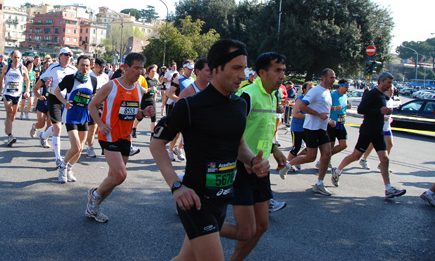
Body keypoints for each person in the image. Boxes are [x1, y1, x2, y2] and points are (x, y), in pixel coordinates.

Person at [150, 40, 268, 260]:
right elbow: (156, 144)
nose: (243, 75)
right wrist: (176, 186)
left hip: (222, 198)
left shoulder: (239, 105)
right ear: (216, 69)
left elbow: (239, 144)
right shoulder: (190, 106)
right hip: (195, 201)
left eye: (244, 68)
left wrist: (253, 161)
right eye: (236, 68)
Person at [220, 52, 288, 260]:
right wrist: (246, 159)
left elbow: (263, 130)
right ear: (261, 72)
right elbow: (229, 133)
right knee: (247, 230)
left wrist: (275, 151)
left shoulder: (272, 96)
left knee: (262, 226)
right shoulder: (247, 95)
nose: (282, 76)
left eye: (284, 71)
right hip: (242, 168)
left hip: (261, 167)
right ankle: (202, 223)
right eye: (278, 70)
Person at [85, 53, 155, 223]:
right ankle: (94, 195)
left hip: (126, 137)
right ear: (125, 67)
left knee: (114, 178)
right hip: (108, 135)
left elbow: (131, 111)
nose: (139, 72)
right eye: (136, 68)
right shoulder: (111, 86)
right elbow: (92, 106)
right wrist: (101, 125)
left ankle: (93, 207)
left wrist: (143, 113)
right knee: (120, 175)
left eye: (141, 69)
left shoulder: (138, 88)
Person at [331, 72, 407, 199]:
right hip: (367, 131)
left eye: (391, 83)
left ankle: (388, 188)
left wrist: (385, 113)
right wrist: (379, 111)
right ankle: (337, 170)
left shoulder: (383, 96)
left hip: (379, 132)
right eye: (388, 82)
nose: (390, 85)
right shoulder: (372, 94)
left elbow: (380, 110)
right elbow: (360, 109)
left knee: (385, 159)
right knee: (356, 156)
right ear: (381, 81)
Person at [279, 68, 336, 196]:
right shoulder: (315, 91)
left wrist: (330, 118)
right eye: (331, 77)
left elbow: (324, 109)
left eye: (334, 77)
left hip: (322, 128)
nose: (333, 79)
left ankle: (319, 184)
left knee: (326, 155)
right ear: (324, 78)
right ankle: (287, 165)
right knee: (311, 157)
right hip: (311, 128)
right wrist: (317, 114)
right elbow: (302, 106)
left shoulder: (328, 92)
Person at [52, 55, 97, 183]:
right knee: (76, 147)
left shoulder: (93, 80)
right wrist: (65, 102)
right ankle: (62, 166)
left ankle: (69, 168)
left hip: (84, 117)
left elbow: (92, 97)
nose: (84, 68)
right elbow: (56, 91)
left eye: (87, 65)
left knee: (80, 149)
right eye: (82, 65)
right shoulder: (70, 79)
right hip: (71, 116)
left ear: (90, 66)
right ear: (77, 66)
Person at [38, 47, 77, 166]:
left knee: (58, 126)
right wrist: (46, 83)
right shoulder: (53, 68)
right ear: (60, 56)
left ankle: (43, 136)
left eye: (70, 55)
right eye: (65, 55)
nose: (68, 57)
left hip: (67, 101)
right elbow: (42, 78)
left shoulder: (73, 70)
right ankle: (58, 157)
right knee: (58, 128)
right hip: (54, 98)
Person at [0, 50, 30, 146]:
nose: (16, 59)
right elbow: (1, 79)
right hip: (7, 93)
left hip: (17, 95)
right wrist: (0, 89)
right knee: (9, 113)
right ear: (11, 57)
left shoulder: (23, 68)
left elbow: (28, 80)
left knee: (13, 116)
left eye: (18, 58)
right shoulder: (6, 67)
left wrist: (27, 90)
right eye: (15, 57)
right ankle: (10, 135)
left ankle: (7, 125)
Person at [360, 85, 394, 171]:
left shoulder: (391, 101)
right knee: (371, 145)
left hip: (387, 127)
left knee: (390, 144)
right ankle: (364, 159)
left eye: (393, 90)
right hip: (378, 126)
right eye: (390, 90)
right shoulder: (380, 98)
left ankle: (382, 164)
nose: (392, 92)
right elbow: (371, 110)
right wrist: (382, 116)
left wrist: (390, 118)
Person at [287, 82, 315, 170]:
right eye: (310, 88)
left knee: (311, 147)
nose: (312, 90)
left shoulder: (312, 100)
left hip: (308, 128)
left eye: (313, 88)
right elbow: (296, 114)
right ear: (304, 90)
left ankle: (296, 159)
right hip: (297, 128)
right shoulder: (300, 99)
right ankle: (287, 164)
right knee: (296, 147)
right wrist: (309, 116)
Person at [86, 57, 110, 157]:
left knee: (99, 128)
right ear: (95, 66)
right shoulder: (88, 76)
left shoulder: (105, 76)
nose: (102, 70)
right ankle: (90, 148)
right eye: (100, 67)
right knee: (93, 127)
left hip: (103, 105)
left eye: (104, 68)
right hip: (92, 104)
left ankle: (88, 140)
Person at [326, 78, 351, 168]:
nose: (347, 89)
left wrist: (347, 107)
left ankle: (326, 158)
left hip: (341, 123)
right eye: (345, 87)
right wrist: (334, 108)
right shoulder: (332, 95)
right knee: (331, 145)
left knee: (344, 144)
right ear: (340, 87)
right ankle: (325, 160)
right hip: (331, 123)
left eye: (348, 87)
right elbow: (325, 108)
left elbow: (343, 107)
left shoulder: (345, 96)